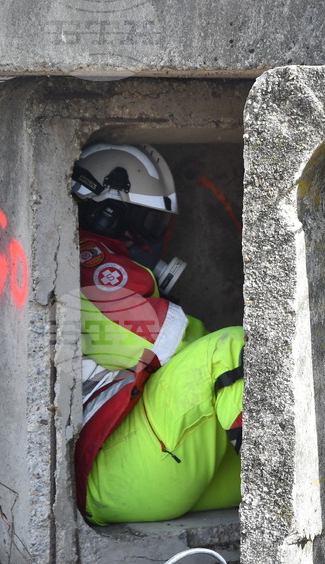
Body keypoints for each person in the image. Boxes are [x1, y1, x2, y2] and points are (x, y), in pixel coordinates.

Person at [71, 143, 244, 525]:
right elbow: (175, 342)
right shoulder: (92, 268)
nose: (152, 236)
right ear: (107, 215)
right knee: (232, 349)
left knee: (296, 475)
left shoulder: (76, 266)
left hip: (142, 474)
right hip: (117, 468)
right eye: (145, 221)